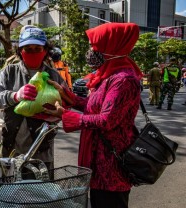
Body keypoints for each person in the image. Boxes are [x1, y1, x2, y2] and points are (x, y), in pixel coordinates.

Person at [45, 23, 142, 208]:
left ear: (112, 46)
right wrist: (70, 97)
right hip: (98, 161)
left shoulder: (123, 80)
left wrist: (66, 115)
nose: (90, 51)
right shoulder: (109, 75)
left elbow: (106, 120)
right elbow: (94, 107)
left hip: (110, 166)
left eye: (94, 46)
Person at [0, 27, 67, 171]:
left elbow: (67, 104)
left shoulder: (54, 76)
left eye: (37, 48)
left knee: (41, 190)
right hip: (11, 148)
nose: (33, 52)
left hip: (42, 151)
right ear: (20, 51)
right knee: (10, 190)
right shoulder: (9, 72)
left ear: (45, 50)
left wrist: (57, 112)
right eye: (28, 49)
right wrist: (14, 96)